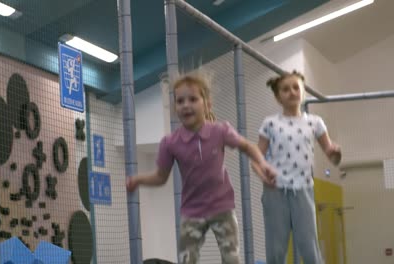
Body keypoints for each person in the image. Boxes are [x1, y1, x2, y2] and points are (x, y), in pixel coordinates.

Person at [127, 73, 276, 264]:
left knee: (232, 258)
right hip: (192, 210)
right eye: (180, 101)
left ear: (207, 104)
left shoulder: (220, 131)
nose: (186, 105)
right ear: (174, 108)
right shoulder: (170, 143)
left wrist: (263, 164)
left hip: (222, 206)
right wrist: (138, 179)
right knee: (187, 259)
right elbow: (160, 176)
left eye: (193, 99)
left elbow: (247, 146)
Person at [254, 70, 341, 264]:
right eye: (286, 89)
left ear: (303, 92)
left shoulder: (315, 122)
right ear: (278, 97)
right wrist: (262, 174)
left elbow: (330, 154)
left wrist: (336, 154)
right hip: (275, 189)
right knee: (276, 247)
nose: (292, 92)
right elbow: (256, 157)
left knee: (309, 245)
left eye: (296, 88)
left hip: (304, 188)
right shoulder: (270, 123)